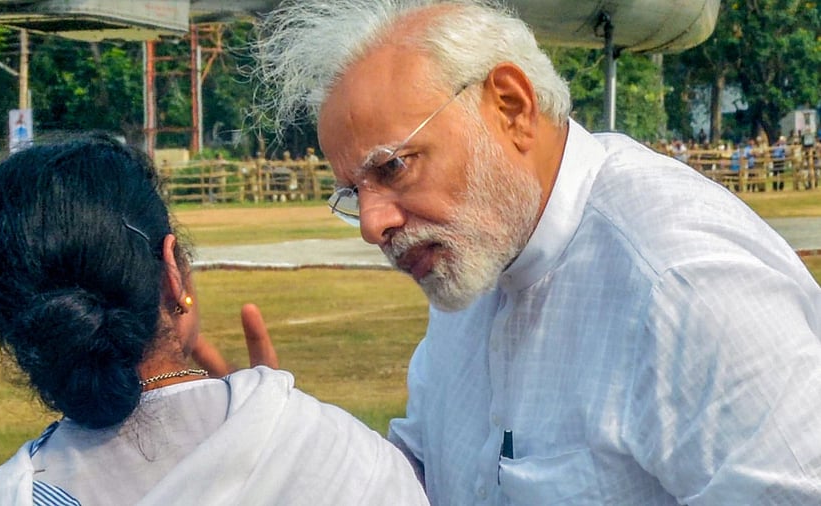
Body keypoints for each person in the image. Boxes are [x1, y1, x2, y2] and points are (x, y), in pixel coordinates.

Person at [255, 1, 821, 504]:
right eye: (355, 192)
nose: (373, 224)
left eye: (393, 166)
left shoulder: (682, 283)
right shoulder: (479, 254)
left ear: (510, 107)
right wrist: (291, 445)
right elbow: (424, 479)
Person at [0, 134, 428, 505]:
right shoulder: (341, 456)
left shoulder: (4, 496)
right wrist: (271, 430)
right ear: (172, 273)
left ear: (11, 329)